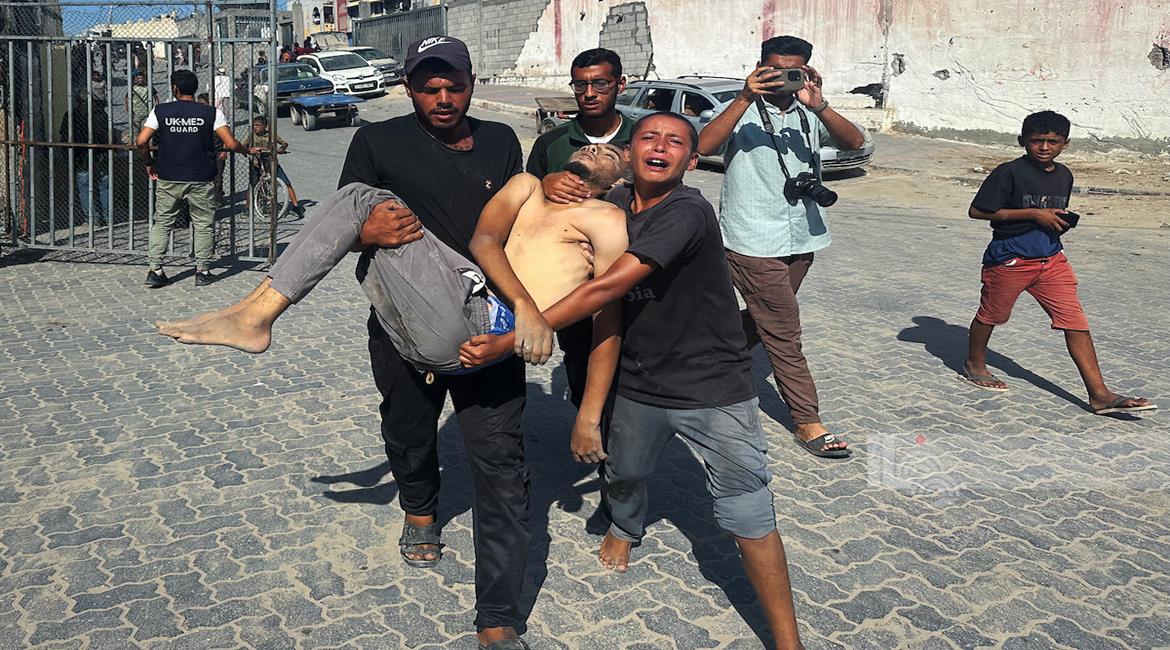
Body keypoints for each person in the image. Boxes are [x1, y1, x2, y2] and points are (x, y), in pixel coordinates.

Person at [461, 112, 805, 650]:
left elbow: (607, 291)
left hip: (711, 384)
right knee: (624, 473)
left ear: (693, 160)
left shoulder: (687, 211)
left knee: (747, 506)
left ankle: (788, 641)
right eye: (649, 137)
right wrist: (550, 181)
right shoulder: (615, 204)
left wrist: (512, 339)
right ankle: (625, 529)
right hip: (638, 380)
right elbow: (574, 195)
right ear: (629, 156)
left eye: (675, 142)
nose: (660, 146)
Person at [696, 35, 865, 460]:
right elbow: (703, 146)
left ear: (805, 70)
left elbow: (854, 142)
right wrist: (744, 97)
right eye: (773, 69)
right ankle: (808, 420)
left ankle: (701, 359)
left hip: (803, 234)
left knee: (765, 317)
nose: (781, 79)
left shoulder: (810, 111)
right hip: (751, 238)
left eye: (793, 71)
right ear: (759, 67)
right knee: (784, 329)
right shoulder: (738, 109)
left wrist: (820, 105)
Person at [961, 111, 1156, 416]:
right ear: (1022, 141)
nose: (1044, 147)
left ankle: (1100, 395)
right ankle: (974, 364)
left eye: (1052, 141)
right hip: (1010, 259)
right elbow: (978, 211)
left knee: (1075, 321)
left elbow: (1052, 211)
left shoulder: (1064, 174)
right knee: (991, 316)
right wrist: (1033, 214)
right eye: (1036, 140)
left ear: (1065, 143)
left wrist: (1057, 221)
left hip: (1052, 260)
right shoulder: (1008, 173)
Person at [525, 47, 633, 408]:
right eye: (580, 85)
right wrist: (544, 184)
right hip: (573, 288)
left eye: (600, 84)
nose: (589, 94)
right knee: (582, 372)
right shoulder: (551, 144)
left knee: (637, 374)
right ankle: (589, 428)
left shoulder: (643, 137)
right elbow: (528, 208)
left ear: (620, 84)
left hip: (634, 279)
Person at [136, 69, 253, 287]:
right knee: (203, 224)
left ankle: (155, 269)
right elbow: (230, 143)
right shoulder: (211, 113)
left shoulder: (160, 111)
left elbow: (141, 141)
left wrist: (149, 163)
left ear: (174, 88)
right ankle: (202, 270)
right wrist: (247, 151)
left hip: (169, 175)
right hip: (201, 176)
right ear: (195, 88)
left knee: (162, 223)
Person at [60, 93, 111, 227]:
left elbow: (64, 136)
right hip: (101, 154)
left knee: (85, 187)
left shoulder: (71, 115)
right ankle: (108, 218)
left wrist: (68, 155)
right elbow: (106, 135)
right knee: (104, 186)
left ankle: (92, 219)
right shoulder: (101, 114)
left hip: (81, 156)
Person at [240, 115, 301, 215]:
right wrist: (249, 151)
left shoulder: (271, 135)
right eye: (254, 125)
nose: (255, 127)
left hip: (270, 162)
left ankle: (296, 206)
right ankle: (248, 208)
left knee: (286, 183)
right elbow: (243, 146)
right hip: (256, 163)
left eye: (257, 125)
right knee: (252, 185)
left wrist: (281, 149)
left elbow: (284, 143)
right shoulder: (251, 136)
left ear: (264, 126)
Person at [126, 69, 158, 137]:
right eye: (138, 78)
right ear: (135, 79)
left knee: (146, 130)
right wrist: (128, 107)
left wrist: (156, 106)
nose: (140, 80)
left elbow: (156, 97)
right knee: (136, 129)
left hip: (147, 111)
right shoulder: (133, 88)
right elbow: (127, 97)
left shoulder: (148, 87)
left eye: (142, 78)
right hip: (136, 112)